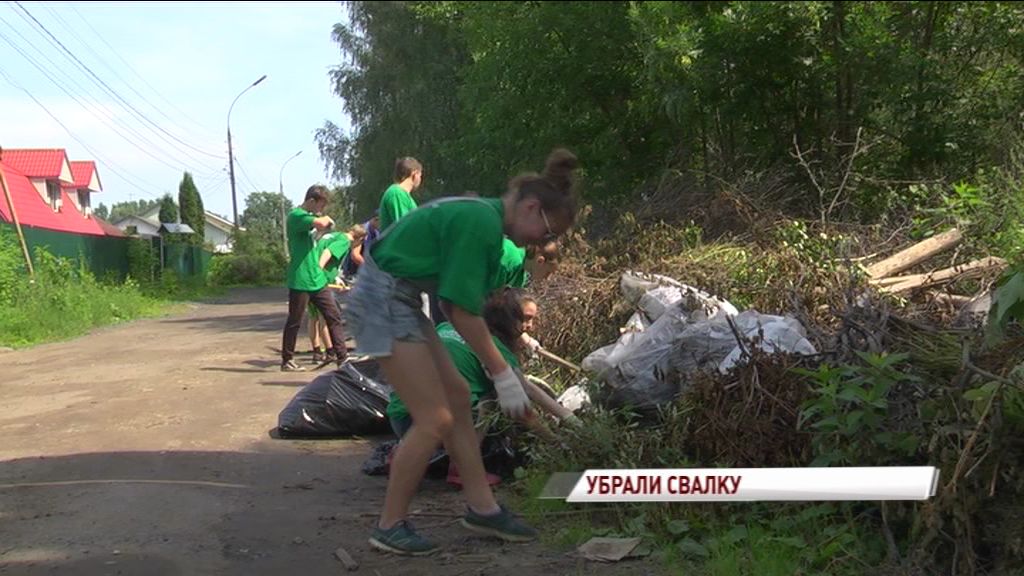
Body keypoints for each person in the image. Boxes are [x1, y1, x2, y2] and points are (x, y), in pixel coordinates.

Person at [344, 148, 579, 555]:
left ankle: (482, 509)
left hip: (399, 293)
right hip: (382, 297)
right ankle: (389, 525)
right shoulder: (481, 223)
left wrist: (504, 369)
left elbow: (466, 309)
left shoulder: (486, 221)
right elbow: (458, 310)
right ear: (532, 208)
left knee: (456, 397)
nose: (544, 241)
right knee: (435, 418)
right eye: (548, 232)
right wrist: (502, 374)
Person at [386, 289, 578, 485]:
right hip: (429, 424)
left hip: (400, 419)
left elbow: (526, 386)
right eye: (526, 319)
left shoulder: (448, 327)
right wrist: (556, 441)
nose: (530, 326)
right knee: (489, 398)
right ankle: (462, 469)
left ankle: (404, 452)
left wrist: (566, 417)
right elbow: (523, 402)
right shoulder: (494, 349)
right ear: (507, 319)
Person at [280, 185, 348, 372]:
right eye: (320, 205)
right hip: (300, 279)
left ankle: (343, 358)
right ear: (311, 201)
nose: (321, 210)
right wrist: (325, 221)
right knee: (295, 320)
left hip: (317, 279)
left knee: (333, 316)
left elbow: (319, 228)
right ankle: (287, 360)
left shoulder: (308, 219)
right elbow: (322, 223)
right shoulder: (296, 216)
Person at [309, 225, 368, 363]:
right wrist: (319, 272)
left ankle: (318, 352)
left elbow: (322, 251)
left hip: (312, 276)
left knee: (314, 317)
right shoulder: (344, 241)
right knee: (329, 315)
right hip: (319, 280)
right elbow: (327, 253)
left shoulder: (335, 235)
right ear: (358, 239)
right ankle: (333, 353)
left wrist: (335, 278)